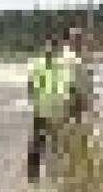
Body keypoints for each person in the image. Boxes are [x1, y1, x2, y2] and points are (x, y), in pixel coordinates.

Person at [26, 39, 73, 183]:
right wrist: (34, 104)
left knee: (55, 144)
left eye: (52, 49)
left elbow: (65, 86)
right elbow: (31, 86)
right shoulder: (37, 65)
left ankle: (53, 174)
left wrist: (65, 106)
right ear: (44, 50)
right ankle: (33, 174)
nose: (50, 51)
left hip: (56, 110)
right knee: (37, 143)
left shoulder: (60, 67)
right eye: (48, 49)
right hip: (41, 110)